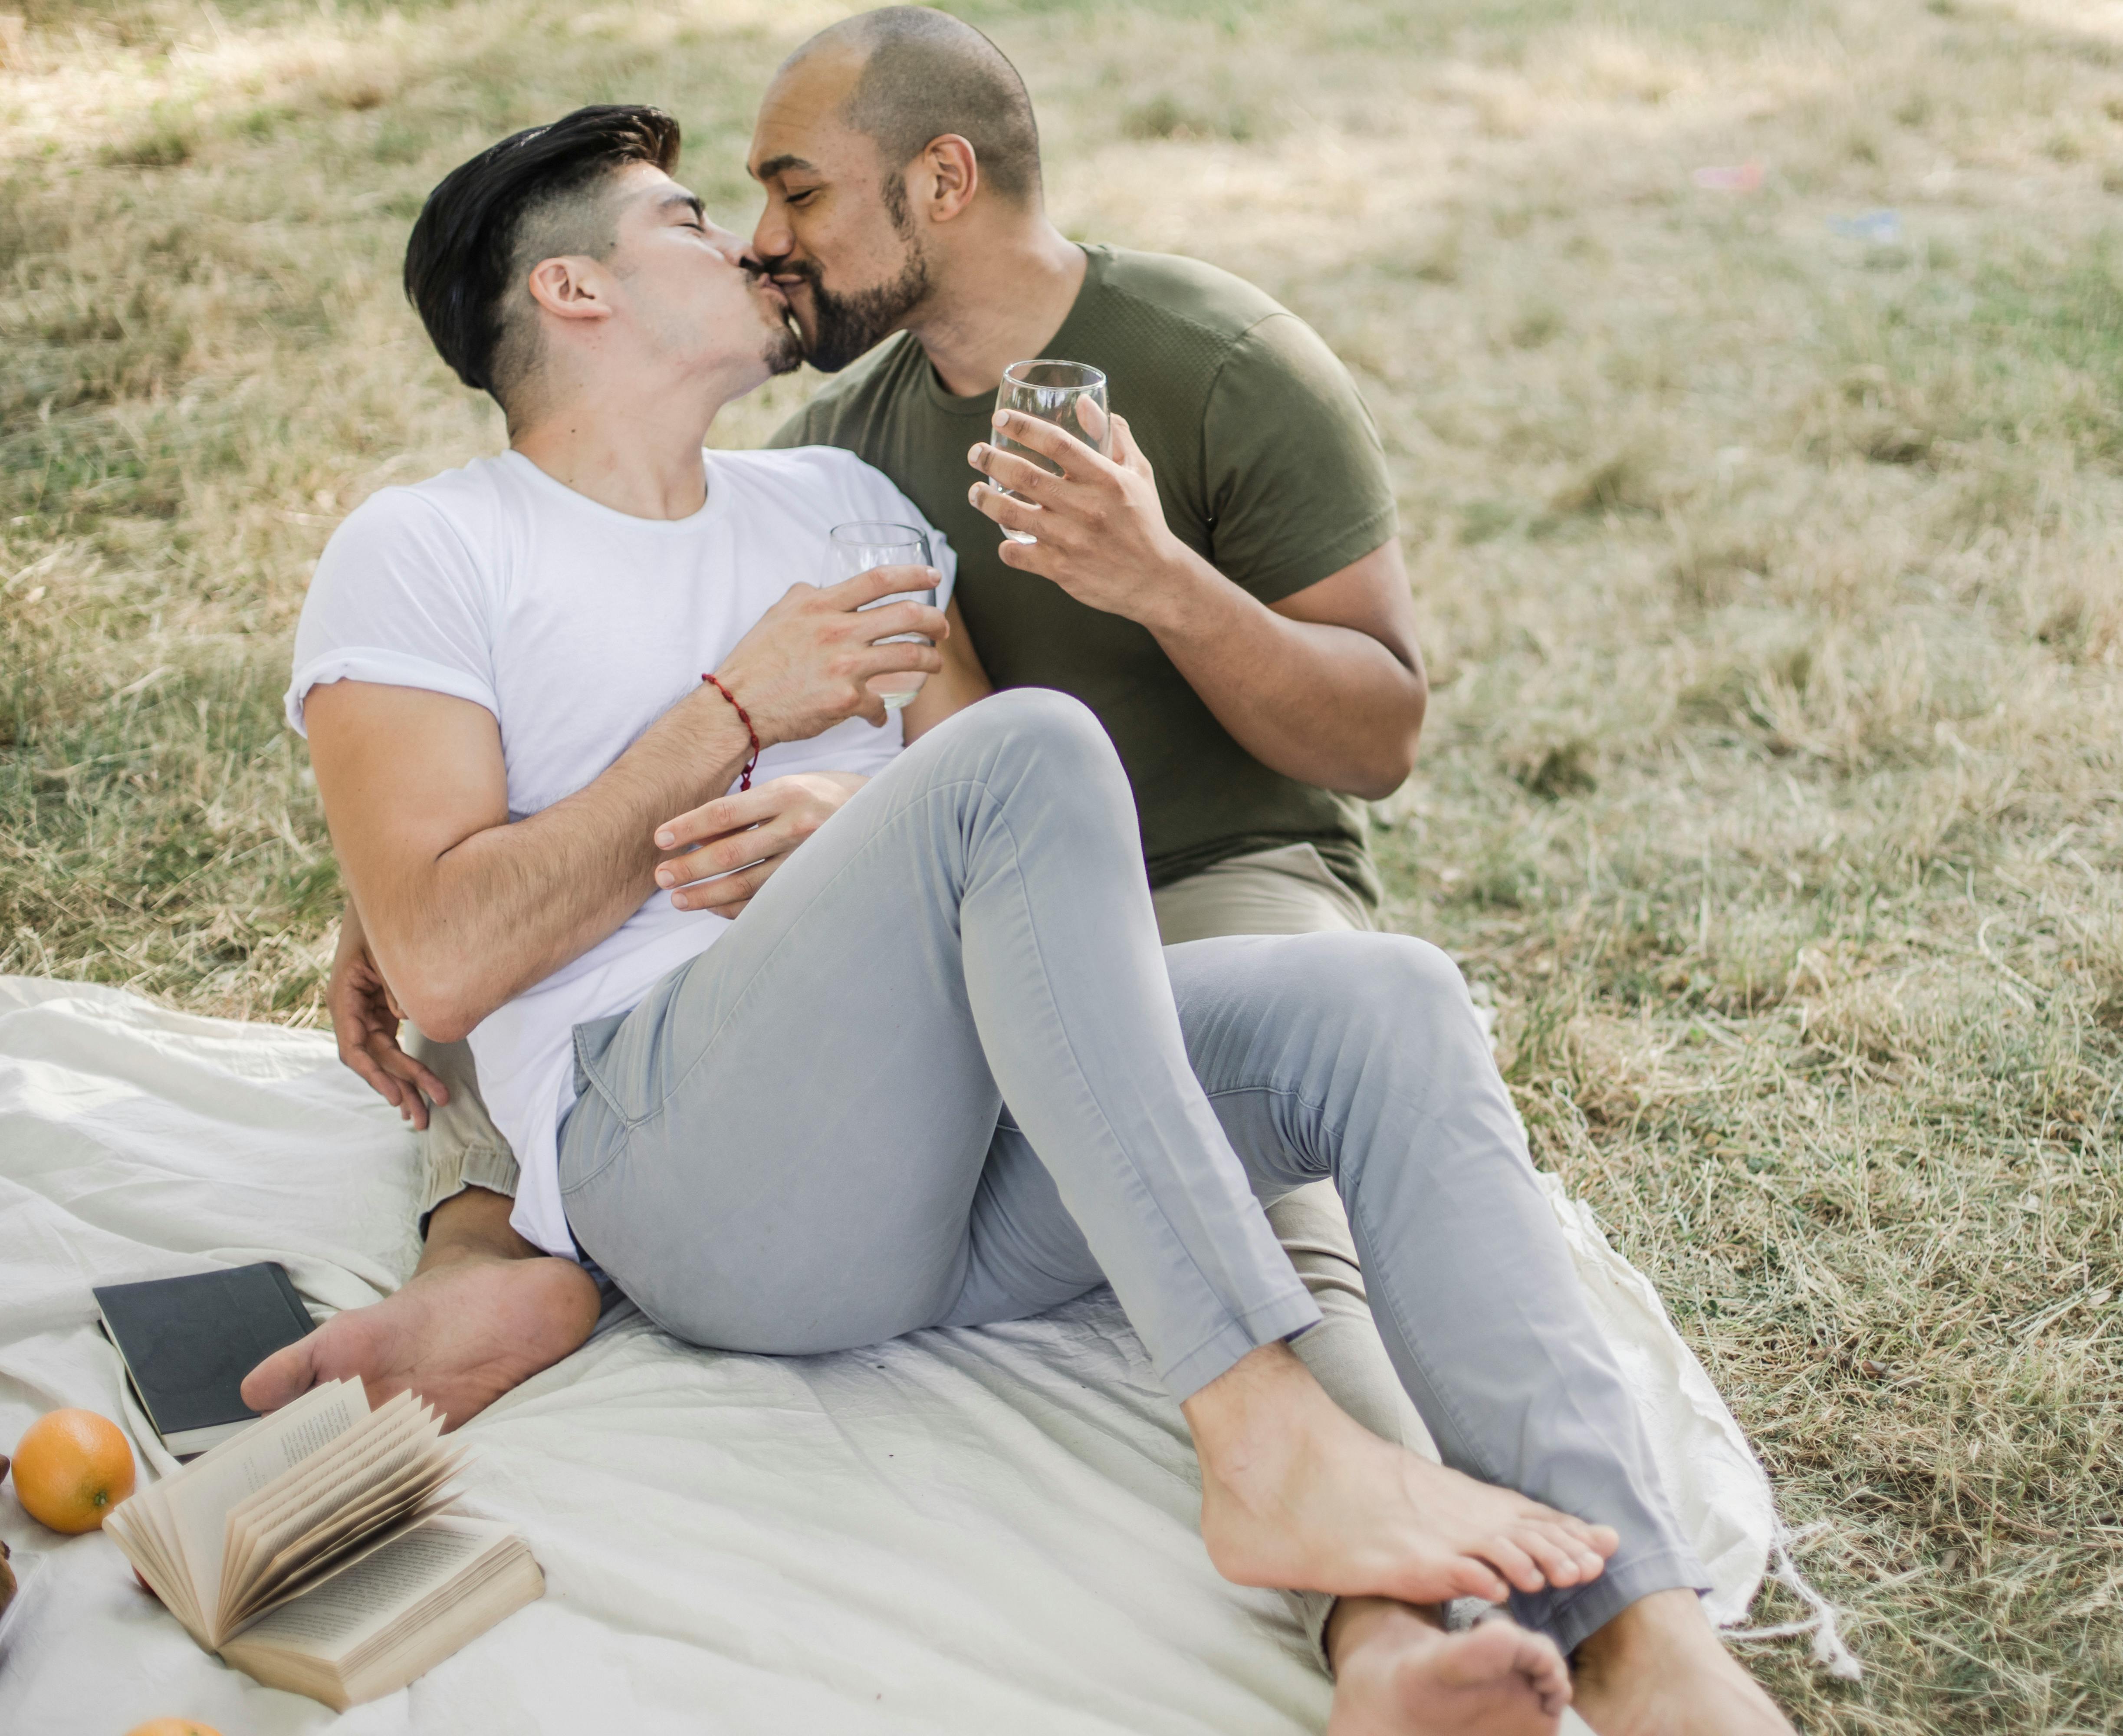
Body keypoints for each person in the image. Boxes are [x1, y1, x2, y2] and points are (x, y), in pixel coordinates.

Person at [259, 102, 1794, 1736]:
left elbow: (973, 806)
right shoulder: (428, 550)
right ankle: (1261, 1432)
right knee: (1036, 752)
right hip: (696, 1172)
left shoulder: (837, 509)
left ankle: (1645, 1640)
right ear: (573, 293)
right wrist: (732, 710)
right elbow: (436, 951)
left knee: (1389, 1001)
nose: (754, 243)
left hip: (961, 1165)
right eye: (695, 218)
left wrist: (853, 839)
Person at [322, 2, 1466, 1700]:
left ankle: (1415, 1616)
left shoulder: (1215, 362)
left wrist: (1154, 582)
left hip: (1213, 861)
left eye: (790, 192)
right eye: (720, 210)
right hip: (929, 959)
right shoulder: (836, 465)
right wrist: (386, 901)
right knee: (931, 828)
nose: (765, 241)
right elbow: (565, 811)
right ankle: (488, 1247)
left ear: (940, 182)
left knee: (1334, 1077)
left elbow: (1380, 738)